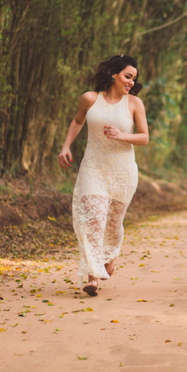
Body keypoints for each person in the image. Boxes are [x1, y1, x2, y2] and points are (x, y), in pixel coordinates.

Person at [59, 55, 150, 296]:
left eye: (134, 78)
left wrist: (124, 136)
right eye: (127, 76)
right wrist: (66, 146)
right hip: (93, 168)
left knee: (113, 223)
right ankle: (92, 277)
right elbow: (77, 121)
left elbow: (144, 137)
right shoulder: (90, 99)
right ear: (113, 74)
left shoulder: (134, 104)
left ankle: (110, 256)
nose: (131, 82)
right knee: (95, 220)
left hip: (123, 172)